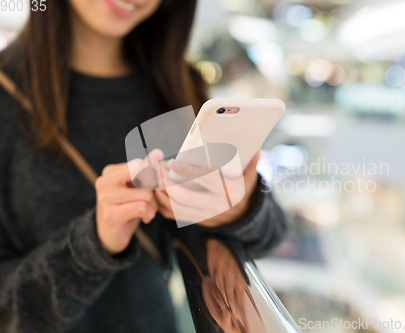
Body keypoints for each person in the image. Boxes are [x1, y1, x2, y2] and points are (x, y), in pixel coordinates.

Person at [0, 0, 289, 332]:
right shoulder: (7, 97)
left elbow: (272, 234)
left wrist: (241, 207)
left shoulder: (177, 83)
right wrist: (92, 245)